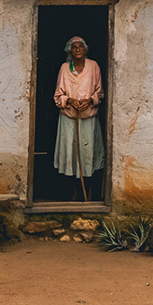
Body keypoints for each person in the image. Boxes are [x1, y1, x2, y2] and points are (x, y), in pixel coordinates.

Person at [53, 36, 105, 198]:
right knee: (71, 154)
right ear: (70, 50)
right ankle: (74, 192)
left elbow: (99, 92)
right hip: (69, 118)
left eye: (80, 46)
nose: (77, 49)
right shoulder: (64, 68)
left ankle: (88, 192)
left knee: (87, 154)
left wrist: (89, 100)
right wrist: (70, 100)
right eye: (74, 47)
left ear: (85, 49)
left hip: (88, 118)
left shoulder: (93, 66)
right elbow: (58, 94)